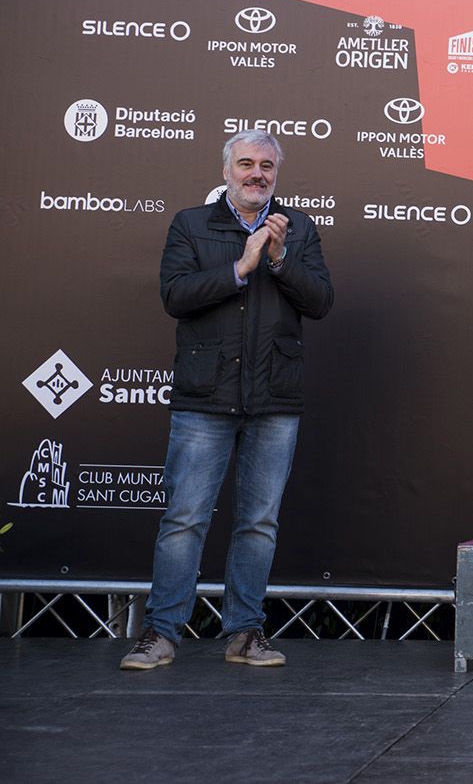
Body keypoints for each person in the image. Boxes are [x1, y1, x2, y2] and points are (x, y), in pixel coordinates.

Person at [120, 130, 334, 670]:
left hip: (274, 399)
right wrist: (241, 266)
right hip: (205, 396)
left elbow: (321, 302)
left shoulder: (299, 228)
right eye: (246, 164)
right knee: (185, 518)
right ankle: (161, 633)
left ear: (276, 174)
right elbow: (175, 296)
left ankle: (244, 633)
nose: (256, 173)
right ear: (226, 171)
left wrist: (280, 259)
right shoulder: (192, 224)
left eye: (266, 165)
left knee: (259, 522)